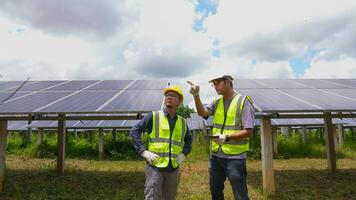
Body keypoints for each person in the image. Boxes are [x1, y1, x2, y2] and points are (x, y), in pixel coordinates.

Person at [188, 75, 254, 200]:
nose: (215, 86)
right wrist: (196, 95)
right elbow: (203, 113)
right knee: (215, 191)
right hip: (216, 157)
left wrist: (227, 138)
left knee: (240, 194)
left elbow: (249, 131)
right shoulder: (216, 102)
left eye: (217, 83)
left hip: (235, 157)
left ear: (228, 82)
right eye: (213, 84)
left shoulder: (243, 101)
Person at [130, 85, 193, 200]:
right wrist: (143, 151)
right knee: (153, 196)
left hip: (173, 168)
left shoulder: (183, 122)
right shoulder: (154, 116)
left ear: (179, 101)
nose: (169, 97)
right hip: (155, 167)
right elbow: (134, 131)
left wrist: (184, 153)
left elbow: (189, 140)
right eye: (167, 95)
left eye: (173, 96)